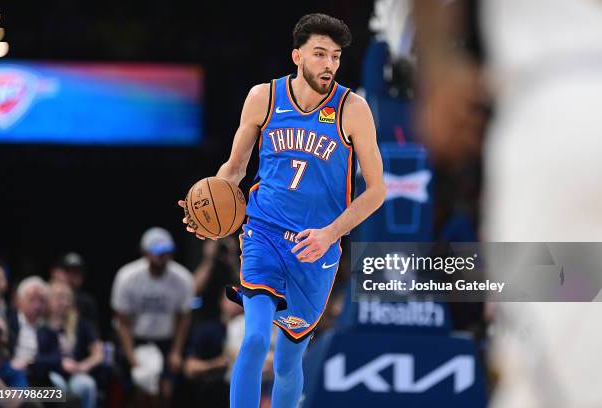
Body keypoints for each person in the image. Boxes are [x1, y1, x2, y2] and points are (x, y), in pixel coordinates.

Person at [179, 13, 386, 408]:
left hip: (315, 249)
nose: (329, 64)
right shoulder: (264, 97)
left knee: (290, 360)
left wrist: (330, 234)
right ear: (297, 56)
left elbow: (376, 191)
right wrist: (206, 207)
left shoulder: (352, 109)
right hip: (264, 233)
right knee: (255, 338)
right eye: (320, 54)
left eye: (336, 56)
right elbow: (235, 168)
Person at [415, 1, 602, 407]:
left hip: (558, 94)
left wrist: (439, 64)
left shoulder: (457, 232)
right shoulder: (456, 235)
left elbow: (448, 271)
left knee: (547, 377)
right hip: (561, 96)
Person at [110, 227, 193, 406]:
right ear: (145, 253)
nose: (163, 257)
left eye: (167, 252)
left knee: (165, 392)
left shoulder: (183, 278)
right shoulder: (127, 277)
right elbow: (122, 322)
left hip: (166, 341)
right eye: (158, 253)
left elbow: (184, 317)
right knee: (140, 391)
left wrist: (176, 352)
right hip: (137, 339)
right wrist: (132, 359)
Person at [47, 280, 102, 408]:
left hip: (75, 373)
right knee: (57, 384)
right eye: (59, 298)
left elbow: (98, 353)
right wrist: (60, 363)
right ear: (48, 300)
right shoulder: (42, 325)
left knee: (86, 385)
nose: (64, 303)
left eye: (67, 299)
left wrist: (83, 366)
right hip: (51, 371)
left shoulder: (80, 324)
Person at [7, 277, 61, 386]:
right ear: (19, 300)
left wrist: (30, 362)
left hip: (36, 379)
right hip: (7, 378)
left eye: (41, 300)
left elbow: (56, 360)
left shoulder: (48, 330)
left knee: (67, 398)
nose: (37, 305)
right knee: (30, 402)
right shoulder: (7, 322)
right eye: (32, 299)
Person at [49, 253, 99, 330]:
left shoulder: (86, 303)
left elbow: (92, 336)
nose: (71, 276)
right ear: (55, 272)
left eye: (76, 272)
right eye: (67, 271)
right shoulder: (42, 294)